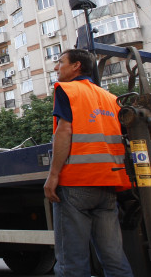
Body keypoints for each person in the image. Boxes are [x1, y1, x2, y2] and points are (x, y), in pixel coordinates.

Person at [44, 49, 134, 277]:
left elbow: (64, 131)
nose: (56, 67)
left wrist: (53, 175)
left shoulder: (67, 90)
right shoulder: (110, 98)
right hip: (108, 185)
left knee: (72, 263)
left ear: (76, 66)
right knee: (114, 259)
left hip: (76, 184)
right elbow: (132, 136)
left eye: (60, 62)